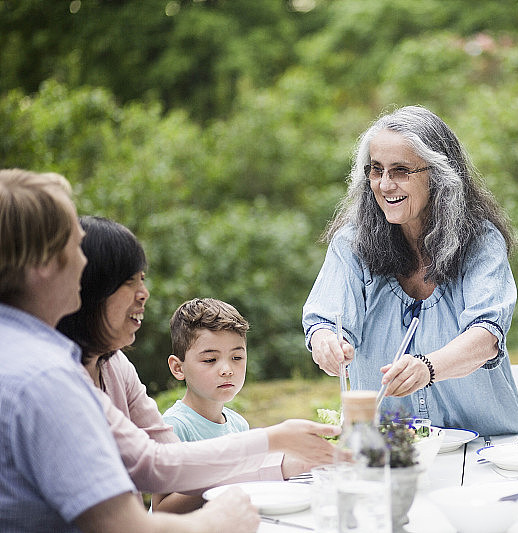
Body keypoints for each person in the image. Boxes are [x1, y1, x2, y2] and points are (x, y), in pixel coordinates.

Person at [0, 168, 259, 532]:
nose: (83, 262)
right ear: (44, 264)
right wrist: (221, 519)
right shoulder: (45, 378)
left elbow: (154, 459)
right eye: (75, 246)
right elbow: (124, 525)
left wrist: (268, 448)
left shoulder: (40, 358)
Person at [56, 216, 338, 512]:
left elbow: (170, 459)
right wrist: (273, 442)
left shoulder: (115, 365)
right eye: (129, 282)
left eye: (142, 279)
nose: (144, 293)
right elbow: (155, 472)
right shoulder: (57, 380)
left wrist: (283, 458)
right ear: (86, 288)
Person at [302, 105, 518, 436]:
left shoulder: (480, 241)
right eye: (376, 170)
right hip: (390, 447)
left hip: (485, 447)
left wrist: (428, 368)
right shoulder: (351, 243)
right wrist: (326, 343)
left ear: (437, 174)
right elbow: (325, 321)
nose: (385, 185)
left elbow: (486, 338)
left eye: (401, 170)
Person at [164, 297, 252, 442]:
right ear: (178, 368)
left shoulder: (240, 426)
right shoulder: (174, 428)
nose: (227, 370)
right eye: (210, 360)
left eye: (236, 357)